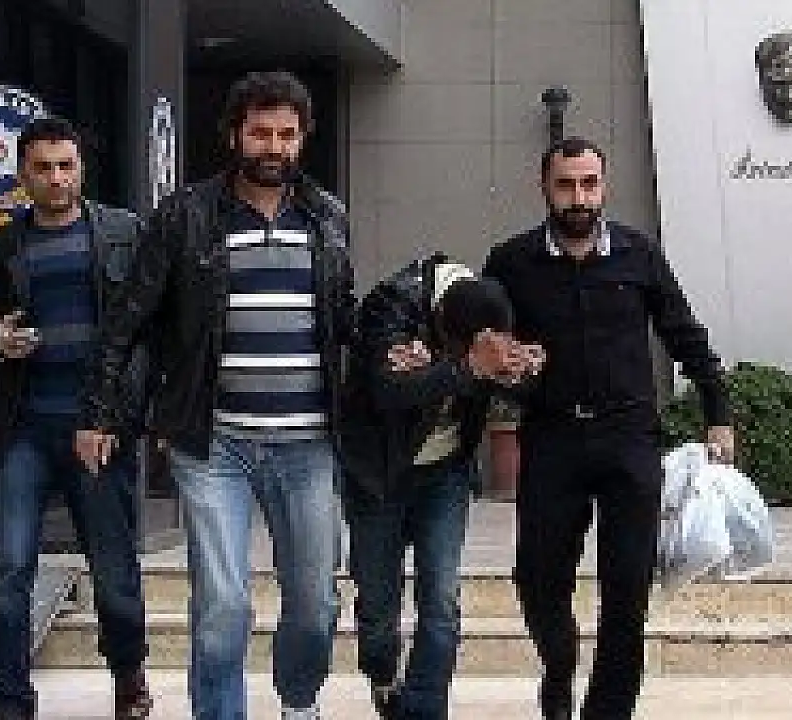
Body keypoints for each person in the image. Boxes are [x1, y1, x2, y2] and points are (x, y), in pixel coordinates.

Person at [75, 71, 355, 720]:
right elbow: (127, 319)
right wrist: (99, 413)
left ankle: (299, 702)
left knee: (315, 603)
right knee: (223, 604)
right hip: (214, 442)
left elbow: (341, 317)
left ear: (303, 139)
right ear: (234, 134)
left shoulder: (328, 217)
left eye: (287, 134)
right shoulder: (186, 215)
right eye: (261, 133)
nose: (274, 147)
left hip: (309, 443)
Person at [482, 136, 735, 720]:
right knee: (537, 580)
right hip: (552, 439)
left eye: (589, 184)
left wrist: (718, 414)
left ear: (604, 186)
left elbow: (684, 335)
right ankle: (559, 665)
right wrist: (508, 367)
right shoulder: (511, 262)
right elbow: (485, 347)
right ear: (544, 188)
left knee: (627, 594)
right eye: (566, 185)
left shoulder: (639, 254)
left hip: (629, 440)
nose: (579, 198)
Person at [0, 116, 151, 720]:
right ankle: (10, 703)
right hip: (24, 427)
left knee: (113, 568)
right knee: (10, 569)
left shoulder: (122, 234)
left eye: (65, 166)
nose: (56, 178)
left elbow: (146, 334)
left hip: (97, 428)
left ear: (81, 169)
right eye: (42, 168)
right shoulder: (2, 247)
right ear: (22, 175)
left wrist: (125, 419)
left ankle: (129, 678)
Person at [338, 256, 540, 719]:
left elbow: (516, 390)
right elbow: (387, 392)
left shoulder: (492, 307)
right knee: (378, 609)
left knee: (441, 600)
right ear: (437, 316)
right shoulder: (392, 304)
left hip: (445, 474)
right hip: (379, 474)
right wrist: (465, 369)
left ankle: (424, 708)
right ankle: (383, 676)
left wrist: (521, 372)